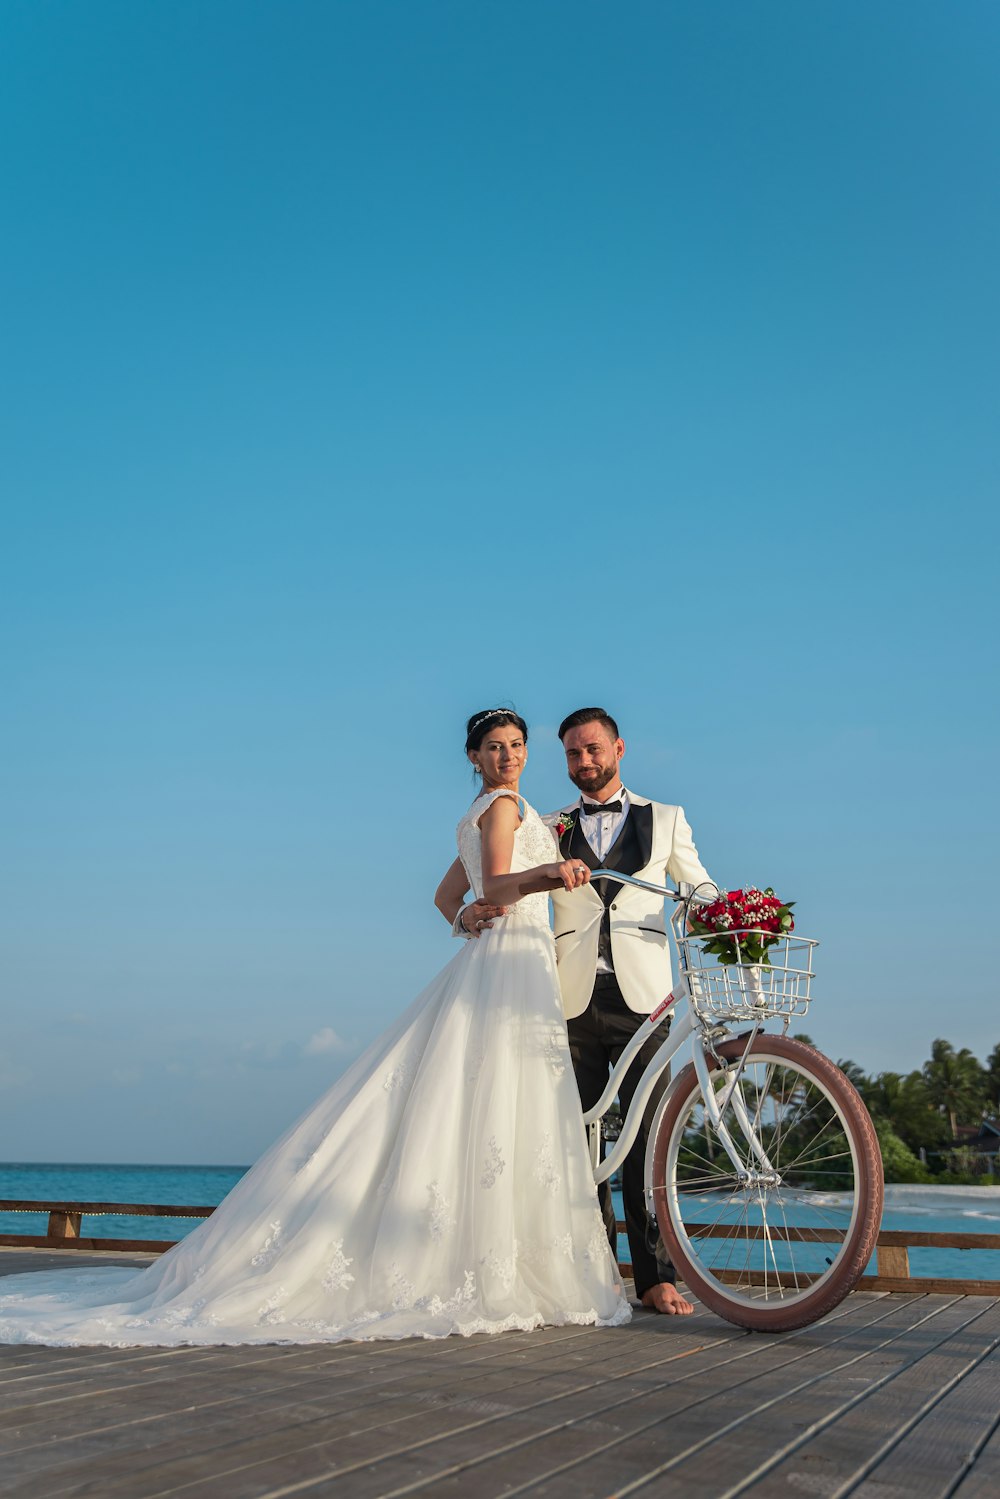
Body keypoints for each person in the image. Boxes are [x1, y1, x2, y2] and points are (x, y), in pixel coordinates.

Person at [0, 709, 629, 1347]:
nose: (509, 756)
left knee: (481, 1099)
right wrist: (549, 873)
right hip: (510, 965)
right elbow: (493, 881)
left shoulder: (493, 810)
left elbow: (448, 895)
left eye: (517, 746)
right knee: (501, 1100)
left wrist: (465, 919)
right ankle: (505, 1264)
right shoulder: (502, 808)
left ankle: (498, 1256)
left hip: (508, 958)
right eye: (495, 747)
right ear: (473, 757)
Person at [548, 707, 716, 1317]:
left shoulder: (665, 819)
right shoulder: (549, 825)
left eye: (592, 749)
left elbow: (699, 888)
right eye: (572, 754)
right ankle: (594, 1275)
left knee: (648, 1138)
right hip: (568, 999)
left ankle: (654, 1278)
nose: (583, 762)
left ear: (618, 748)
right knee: (579, 1142)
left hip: (645, 1000)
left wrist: (729, 921)